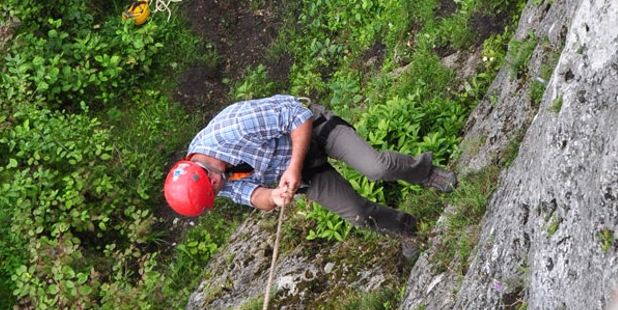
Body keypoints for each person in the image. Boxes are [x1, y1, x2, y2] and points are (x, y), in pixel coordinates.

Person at [163, 94, 457, 256]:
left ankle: (426, 172)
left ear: (201, 168)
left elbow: (297, 116)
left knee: (376, 167)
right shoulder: (210, 182)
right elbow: (254, 196)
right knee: (357, 214)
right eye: (215, 191)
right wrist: (275, 197)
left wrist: (292, 167)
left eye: (214, 184)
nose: (220, 186)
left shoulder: (235, 127)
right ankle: (406, 227)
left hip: (315, 132)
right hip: (302, 173)